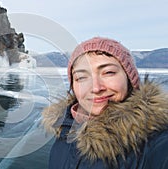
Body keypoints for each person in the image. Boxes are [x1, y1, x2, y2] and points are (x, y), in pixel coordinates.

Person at [42, 37, 168, 169]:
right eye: (81, 77)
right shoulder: (65, 130)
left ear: (130, 79)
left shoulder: (157, 144)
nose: (96, 88)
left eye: (108, 72)